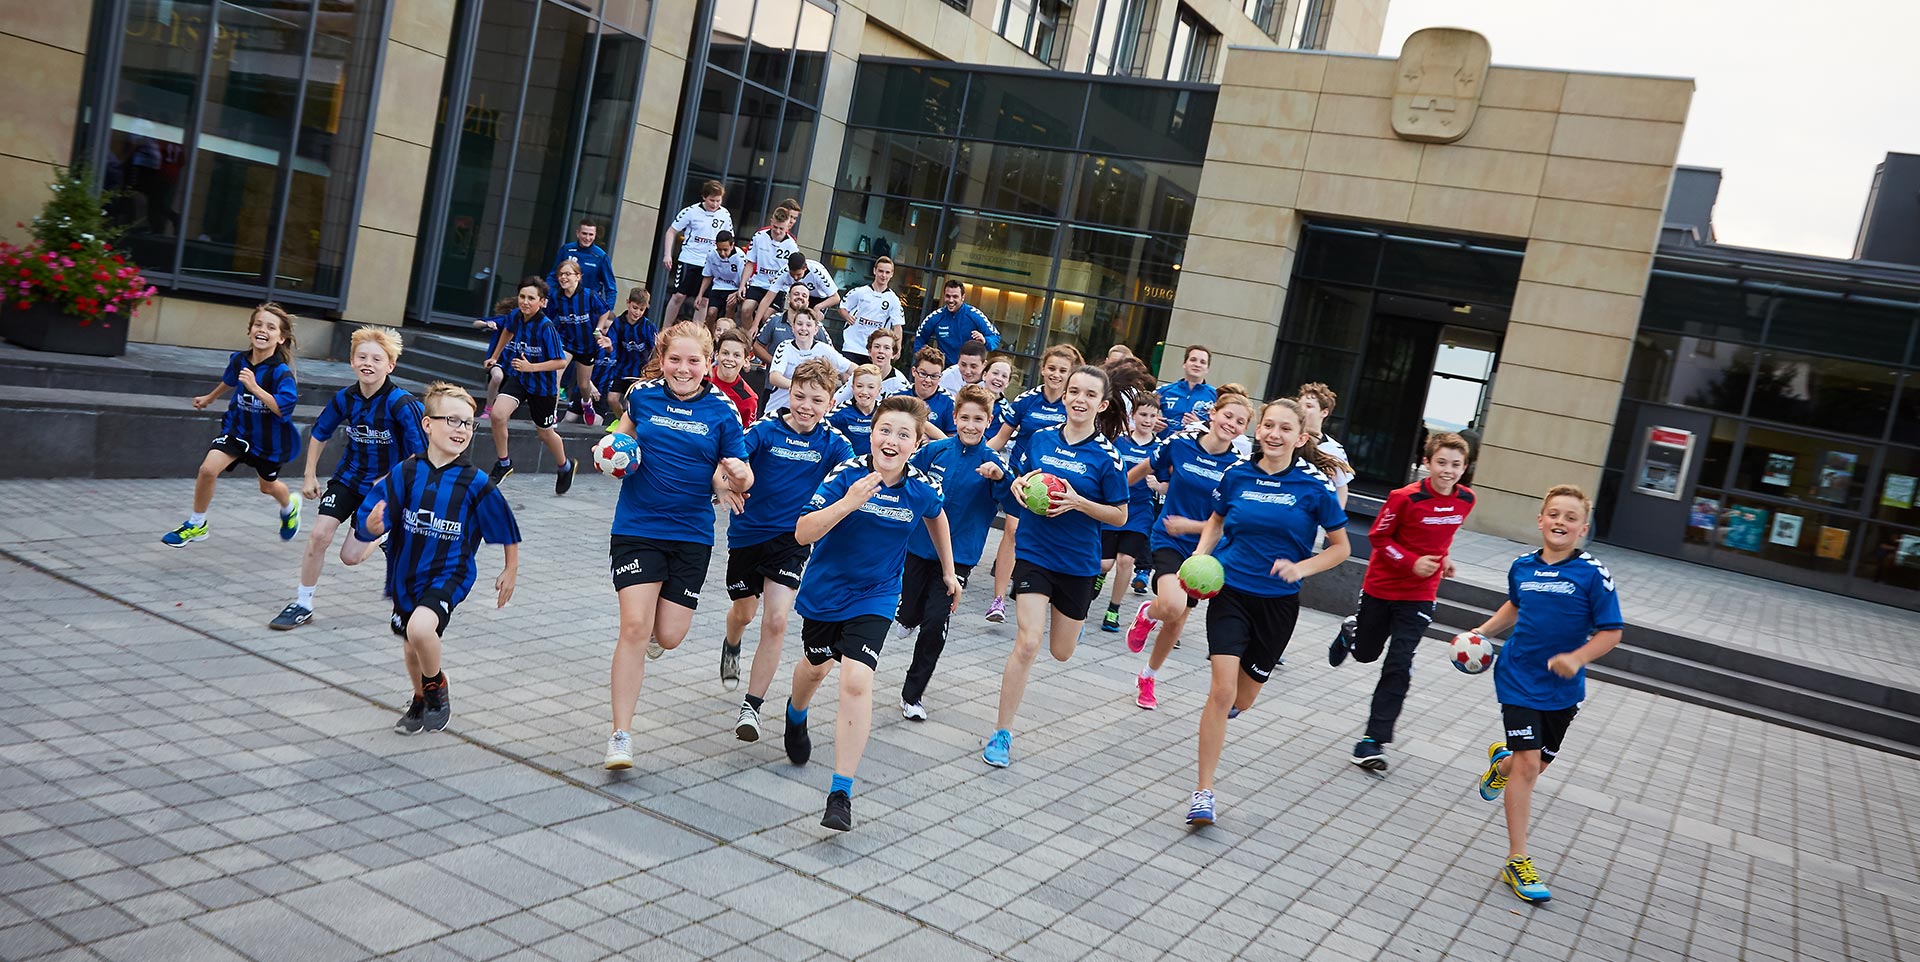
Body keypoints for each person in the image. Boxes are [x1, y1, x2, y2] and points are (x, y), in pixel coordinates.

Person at [784, 395, 956, 831]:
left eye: (904, 434)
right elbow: (803, 532)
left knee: (857, 680)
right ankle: (795, 714)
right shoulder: (847, 475)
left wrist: (949, 573)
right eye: (885, 430)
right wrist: (849, 502)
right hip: (826, 593)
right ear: (872, 432)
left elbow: (937, 517)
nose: (892, 440)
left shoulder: (920, 486)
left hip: (877, 595)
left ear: (916, 444)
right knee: (816, 666)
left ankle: (840, 794)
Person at [1184, 397, 1350, 825]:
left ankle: (1234, 704)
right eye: (1269, 426)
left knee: (1243, 697)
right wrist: (1201, 559)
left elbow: (1341, 548)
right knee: (1220, 692)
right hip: (1231, 592)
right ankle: (1203, 792)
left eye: (1285, 429)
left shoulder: (1314, 486)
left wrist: (1301, 568)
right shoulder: (1236, 475)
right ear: (1258, 431)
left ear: (1301, 437)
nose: (1275, 434)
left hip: (1277, 605)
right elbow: (1216, 521)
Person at [603, 322, 753, 770]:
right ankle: (620, 736)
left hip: (691, 535)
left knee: (668, 635)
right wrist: (610, 451)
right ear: (662, 359)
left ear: (708, 365)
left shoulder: (724, 411)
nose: (683, 369)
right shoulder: (641, 396)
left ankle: (655, 633)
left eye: (693, 361)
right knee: (632, 627)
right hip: (638, 527)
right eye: (675, 359)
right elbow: (619, 439)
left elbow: (741, 472)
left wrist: (737, 478)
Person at [1469, 485, 1624, 904]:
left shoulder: (1593, 574)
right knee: (1527, 769)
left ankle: (1500, 765)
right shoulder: (1522, 566)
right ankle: (1517, 860)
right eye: (1553, 514)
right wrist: (1480, 633)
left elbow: (1612, 632)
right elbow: (1515, 607)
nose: (1560, 522)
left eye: (1570, 518)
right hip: (1517, 678)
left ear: (1583, 529)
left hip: (1563, 689)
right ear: (1540, 520)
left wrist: (1577, 658)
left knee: (1533, 768)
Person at [339, 382, 521, 735]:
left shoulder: (475, 482)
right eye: (452, 420)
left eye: (468, 423)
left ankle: (436, 687)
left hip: (450, 574)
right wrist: (371, 524)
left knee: (421, 629)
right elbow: (372, 515)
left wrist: (510, 569)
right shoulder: (406, 472)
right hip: (407, 574)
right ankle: (420, 697)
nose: (461, 429)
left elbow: (505, 526)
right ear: (427, 424)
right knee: (411, 648)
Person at [982, 366, 1129, 768]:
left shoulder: (1108, 457)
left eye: (1089, 394)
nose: (1079, 399)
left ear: (1101, 404)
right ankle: (1001, 733)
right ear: (1064, 396)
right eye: (1073, 391)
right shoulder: (1041, 438)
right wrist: (1016, 483)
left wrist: (1080, 503)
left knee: (1061, 651)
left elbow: (1119, 516)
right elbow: (1024, 475)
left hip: (1078, 563)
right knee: (1027, 642)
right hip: (1034, 552)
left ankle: (1071, 628)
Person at [721, 359, 854, 736]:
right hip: (748, 536)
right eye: (799, 396)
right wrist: (724, 483)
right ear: (789, 393)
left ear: (830, 402)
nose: (806, 406)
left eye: (816, 399)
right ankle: (732, 644)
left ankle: (752, 707)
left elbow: (854, 476)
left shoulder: (834, 443)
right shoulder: (764, 430)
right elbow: (730, 462)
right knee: (744, 614)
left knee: (777, 621)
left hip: (793, 541)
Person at [1329, 432, 1471, 771]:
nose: (1447, 471)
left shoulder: (1466, 500)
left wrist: (1444, 556)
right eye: (1441, 463)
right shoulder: (1404, 498)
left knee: (1399, 664)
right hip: (1382, 587)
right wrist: (1411, 562)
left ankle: (1372, 741)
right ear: (1427, 463)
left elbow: (1440, 535)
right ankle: (1352, 630)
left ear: (1465, 468)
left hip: (1420, 595)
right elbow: (1378, 536)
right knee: (1366, 654)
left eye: (1455, 465)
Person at [270, 327, 426, 630]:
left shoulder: (402, 404)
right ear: (352, 361)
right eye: (362, 357)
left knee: (350, 557)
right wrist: (309, 475)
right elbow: (320, 433)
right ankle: (302, 603)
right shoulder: (345, 398)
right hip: (348, 480)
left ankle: (383, 533)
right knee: (319, 535)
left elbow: (422, 454)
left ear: (390, 365)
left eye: (377, 359)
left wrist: (391, 479)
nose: (368, 363)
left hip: (384, 489)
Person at [1124, 388, 1254, 709]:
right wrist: (1111, 494)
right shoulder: (1179, 444)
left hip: (1206, 552)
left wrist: (1192, 527)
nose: (1231, 424)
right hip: (1168, 539)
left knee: (1177, 621)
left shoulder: (1238, 469)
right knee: (1170, 604)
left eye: (1240, 422)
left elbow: (1229, 521)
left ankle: (1148, 676)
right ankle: (1146, 613)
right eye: (1227, 416)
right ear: (1212, 414)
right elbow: (1145, 468)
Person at [897, 385, 1010, 720]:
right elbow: (906, 475)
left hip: (958, 558)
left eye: (978, 419)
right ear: (955, 418)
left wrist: (1000, 477)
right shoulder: (936, 451)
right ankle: (907, 615)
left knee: (935, 622)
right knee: (911, 609)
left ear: (989, 421)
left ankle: (912, 695)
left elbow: (1012, 495)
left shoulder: (993, 463)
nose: (971, 425)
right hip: (918, 547)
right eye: (964, 418)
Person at [163, 303, 304, 547]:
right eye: (258, 324)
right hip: (237, 430)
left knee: (268, 487)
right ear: (250, 331)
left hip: (268, 441)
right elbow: (229, 380)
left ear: (280, 338)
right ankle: (197, 523)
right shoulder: (240, 360)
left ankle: (289, 507)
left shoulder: (281, 374)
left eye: (271, 327)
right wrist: (210, 397)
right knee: (208, 469)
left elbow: (283, 408)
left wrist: (255, 388)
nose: (263, 330)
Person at [981, 344, 1081, 623]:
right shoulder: (1026, 400)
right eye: (1051, 368)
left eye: (1063, 370)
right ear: (1043, 368)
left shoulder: (1073, 402)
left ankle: (1057, 601)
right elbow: (1000, 439)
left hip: (1059, 485)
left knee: (1050, 539)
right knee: (1011, 530)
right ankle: (998, 600)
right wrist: (977, 456)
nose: (1056, 374)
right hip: (1023, 478)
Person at [480, 277, 576, 494]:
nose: (525, 302)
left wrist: (531, 367)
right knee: (497, 415)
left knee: (545, 434)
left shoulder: (546, 327)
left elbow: (560, 361)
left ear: (542, 302)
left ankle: (565, 466)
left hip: (543, 387)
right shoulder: (516, 315)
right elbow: (507, 331)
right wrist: (495, 356)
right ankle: (504, 463)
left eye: (531, 298)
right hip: (520, 379)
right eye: (522, 297)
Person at [1097, 395, 1163, 633]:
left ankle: (1113, 610)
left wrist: (1158, 485)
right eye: (1143, 414)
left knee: (1126, 561)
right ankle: (1098, 577)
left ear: (1158, 419)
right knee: (1104, 564)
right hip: (1114, 508)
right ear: (1132, 416)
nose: (1147, 420)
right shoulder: (1118, 443)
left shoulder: (1160, 449)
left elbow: (1169, 484)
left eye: (1152, 416)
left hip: (1140, 512)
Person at [547, 258, 612, 426]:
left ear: (578, 277)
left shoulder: (589, 295)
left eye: (568, 274)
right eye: (561, 274)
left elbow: (605, 311)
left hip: (587, 345)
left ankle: (586, 403)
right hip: (566, 341)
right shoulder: (555, 296)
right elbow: (546, 316)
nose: (563, 277)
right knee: (556, 373)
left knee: (584, 385)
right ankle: (551, 414)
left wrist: (598, 329)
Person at [662, 180, 734, 324]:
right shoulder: (691, 212)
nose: (714, 204)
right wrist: (667, 254)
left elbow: (730, 239)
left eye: (718, 201)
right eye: (711, 200)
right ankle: (665, 328)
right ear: (704, 197)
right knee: (678, 296)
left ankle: (696, 334)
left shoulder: (725, 214)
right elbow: (671, 231)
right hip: (690, 259)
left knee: (704, 301)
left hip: (711, 263)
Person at [766, 303, 852, 412]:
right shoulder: (785, 346)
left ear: (816, 330)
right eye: (799, 324)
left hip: (808, 412)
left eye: (808, 325)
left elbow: (851, 368)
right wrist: (804, 389)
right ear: (793, 327)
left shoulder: (824, 349)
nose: (803, 328)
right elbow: (774, 378)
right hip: (779, 409)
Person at [595, 287, 658, 426]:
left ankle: (629, 424)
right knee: (611, 399)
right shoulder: (618, 323)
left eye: (641, 310)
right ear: (628, 302)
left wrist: (652, 368)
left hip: (639, 371)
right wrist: (608, 345)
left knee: (631, 403)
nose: (637, 312)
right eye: (635, 308)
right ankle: (621, 420)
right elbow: (612, 345)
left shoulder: (648, 326)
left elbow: (656, 348)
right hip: (621, 369)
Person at [740, 206, 800, 332]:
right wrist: (742, 285)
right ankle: (748, 341)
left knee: (767, 316)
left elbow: (794, 272)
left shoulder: (791, 246)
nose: (777, 231)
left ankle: (761, 343)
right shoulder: (759, 237)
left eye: (781, 229)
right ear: (771, 222)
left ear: (788, 226)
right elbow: (750, 263)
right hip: (759, 282)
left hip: (778, 288)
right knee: (746, 310)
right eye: (775, 227)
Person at [914, 279, 1000, 366]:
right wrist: (923, 361)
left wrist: (985, 341)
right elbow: (920, 337)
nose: (951, 300)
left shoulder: (974, 315)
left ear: (963, 297)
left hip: (968, 370)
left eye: (955, 296)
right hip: (945, 370)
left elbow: (995, 336)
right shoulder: (936, 317)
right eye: (948, 296)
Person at [752, 252, 841, 335]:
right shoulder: (783, 273)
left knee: (811, 321)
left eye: (798, 274)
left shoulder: (817, 272)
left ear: (805, 268)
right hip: (798, 295)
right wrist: (755, 325)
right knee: (793, 319)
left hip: (819, 299)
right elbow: (768, 298)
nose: (795, 278)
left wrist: (818, 307)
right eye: (792, 274)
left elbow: (836, 298)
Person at [836, 256, 904, 365]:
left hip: (875, 351)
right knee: (847, 379)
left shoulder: (893, 300)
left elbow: (897, 327)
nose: (883, 275)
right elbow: (842, 307)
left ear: (891, 274)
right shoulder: (860, 292)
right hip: (852, 347)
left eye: (887, 272)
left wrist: (898, 348)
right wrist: (847, 316)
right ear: (874, 271)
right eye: (881, 271)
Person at [1298, 382, 1354, 507]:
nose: (1301, 410)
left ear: (1324, 412)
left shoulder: (1334, 449)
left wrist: (1336, 519)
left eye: (1309, 406)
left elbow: (1341, 486)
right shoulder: (1288, 439)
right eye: (1299, 405)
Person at [547, 219, 617, 304]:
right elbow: (553, 276)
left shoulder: (601, 257)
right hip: (563, 303)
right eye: (584, 233)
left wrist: (607, 312)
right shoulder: (566, 249)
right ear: (577, 233)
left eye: (591, 234)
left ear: (595, 236)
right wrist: (549, 297)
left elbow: (611, 289)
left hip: (588, 307)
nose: (587, 238)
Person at [834, 328, 909, 404]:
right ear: (869, 351)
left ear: (893, 354)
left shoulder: (900, 384)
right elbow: (836, 400)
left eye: (886, 348)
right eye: (877, 346)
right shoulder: (859, 374)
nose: (881, 351)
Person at [1158, 345, 1217, 437]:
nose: (1197, 364)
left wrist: (1201, 426)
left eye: (1203, 362)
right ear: (1184, 364)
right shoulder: (1164, 390)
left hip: (1196, 449)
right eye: (1193, 360)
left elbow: (1223, 427)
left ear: (1207, 369)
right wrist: (1152, 421)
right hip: (1164, 447)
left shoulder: (1216, 395)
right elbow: (1138, 412)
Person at [695, 230, 747, 333]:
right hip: (718, 286)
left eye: (725, 250)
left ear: (732, 245)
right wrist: (700, 294)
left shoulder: (740, 257)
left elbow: (745, 281)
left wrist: (737, 293)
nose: (722, 253)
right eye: (719, 250)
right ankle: (709, 338)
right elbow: (708, 275)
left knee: (729, 309)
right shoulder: (711, 254)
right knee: (711, 313)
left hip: (734, 289)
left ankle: (726, 336)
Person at [900, 346, 956, 439]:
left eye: (934, 376)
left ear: (940, 377)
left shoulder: (949, 403)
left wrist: (930, 444)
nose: (927, 380)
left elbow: (953, 441)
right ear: (914, 371)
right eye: (923, 374)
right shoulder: (898, 397)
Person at [709, 328, 759, 428]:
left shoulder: (748, 399)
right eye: (725, 353)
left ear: (746, 360)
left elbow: (745, 437)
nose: (730, 359)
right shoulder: (699, 378)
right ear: (716, 355)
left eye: (736, 355)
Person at [828, 365, 882, 458]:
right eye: (859, 386)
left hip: (879, 467)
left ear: (879, 390)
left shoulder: (885, 412)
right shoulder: (840, 413)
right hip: (850, 468)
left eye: (871, 387)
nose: (864, 391)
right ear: (853, 387)